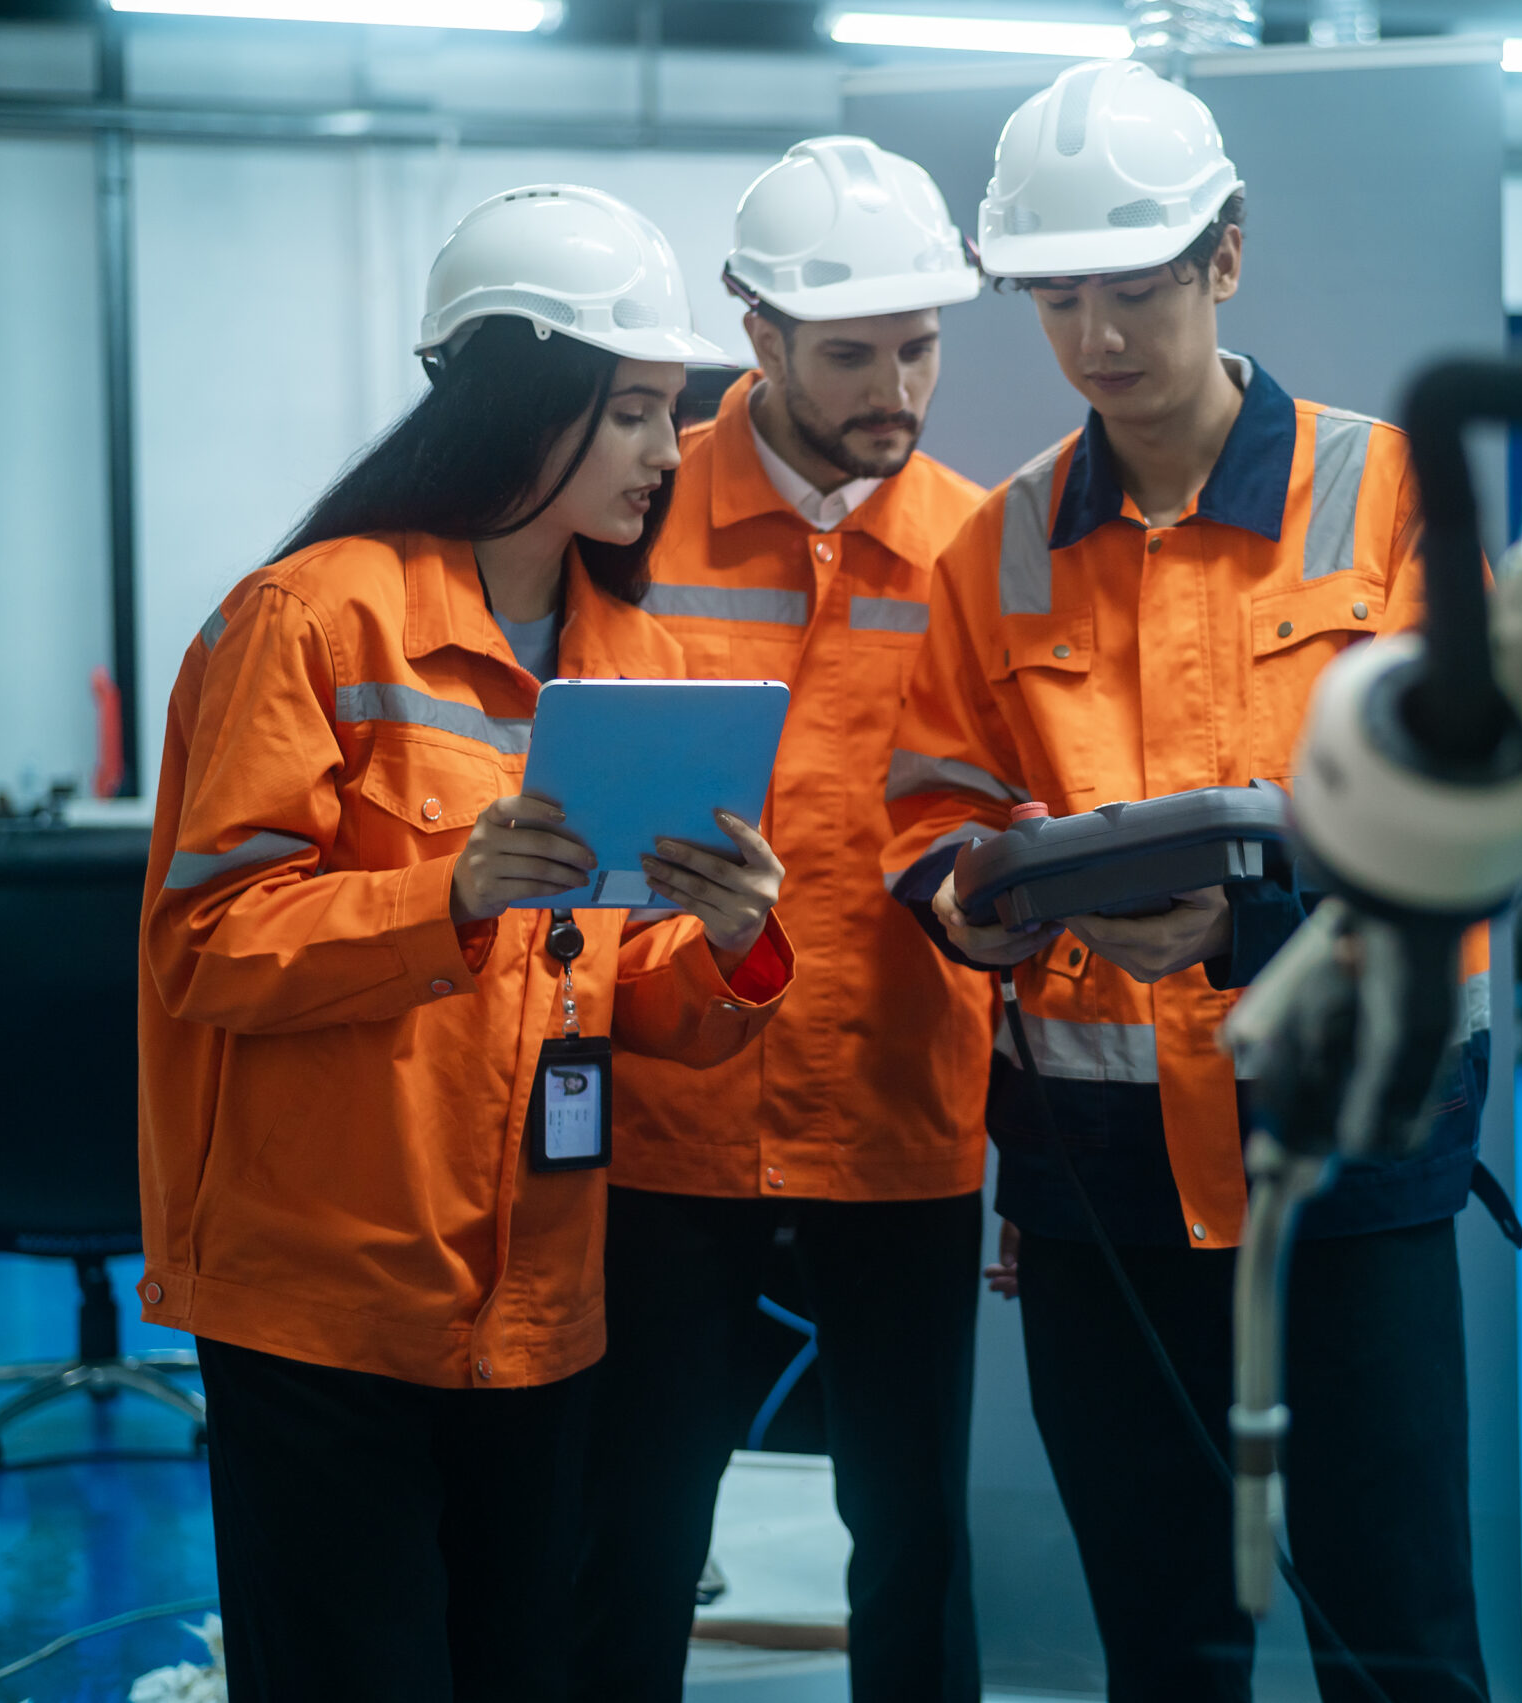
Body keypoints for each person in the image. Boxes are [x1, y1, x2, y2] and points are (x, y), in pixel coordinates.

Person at [882, 60, 1496, 1703]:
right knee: (1165, 1648)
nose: (1095, 338)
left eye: (1134, 290)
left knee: (1403, 1645)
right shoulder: (994, 552)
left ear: (1226, 256)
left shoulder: (1389, 497)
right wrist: (969, 898)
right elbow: (929, 809)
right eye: (1057, 297)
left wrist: (1250, 923)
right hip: (1107, 1197)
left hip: (1347, 1171)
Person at [136, 183, 796, 1703]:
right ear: (524, 398)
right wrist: (447, 897)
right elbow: (208, 947)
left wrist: (732, 945)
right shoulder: (311, 622)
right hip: (327, 1307)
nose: (666, 451)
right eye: (631, 411)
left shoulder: (644, 662)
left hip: (542, 1309)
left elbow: (631, 990)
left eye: (671, 412)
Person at [572, 138, 993, 1703]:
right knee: (633, 1533)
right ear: (757, 335)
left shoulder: (978, 540)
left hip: (900, 1102)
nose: (896, 383)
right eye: (852, 351)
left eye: (921, 343)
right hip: (664, 1109)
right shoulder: (634, 519)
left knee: (915, 1542)